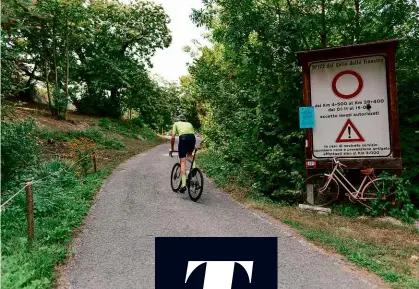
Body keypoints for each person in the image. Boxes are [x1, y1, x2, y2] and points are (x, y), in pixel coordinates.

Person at [169, 115, 196, 193]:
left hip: (183, 138)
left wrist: (172, 148)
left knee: (183, 161)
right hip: (192, 138)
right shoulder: (189, 124)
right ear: (185, 120)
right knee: (190, 154)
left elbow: (173, 137)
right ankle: (193, 168)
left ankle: (183, 185)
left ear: (178, 120)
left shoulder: (176, 123)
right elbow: (191, 134)